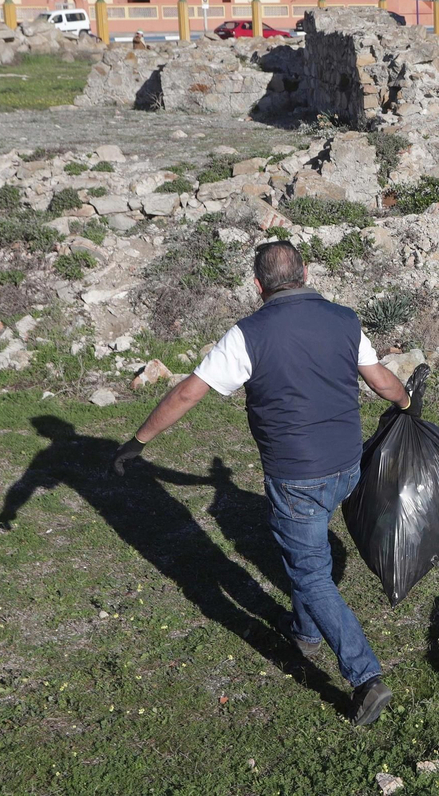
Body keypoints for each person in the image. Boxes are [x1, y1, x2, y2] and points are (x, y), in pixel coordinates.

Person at [113, 241, 411, 727]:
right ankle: (307, 633)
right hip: (347, 465)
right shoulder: (345, 320)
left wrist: (138, 441)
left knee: (310, 571)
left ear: (257, 285)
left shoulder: (247, 335)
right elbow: (382, 382)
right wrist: (405, 404)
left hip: (297, 477)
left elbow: (190, 391)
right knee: (307, 550)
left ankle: (365, 677)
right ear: (306, 273)